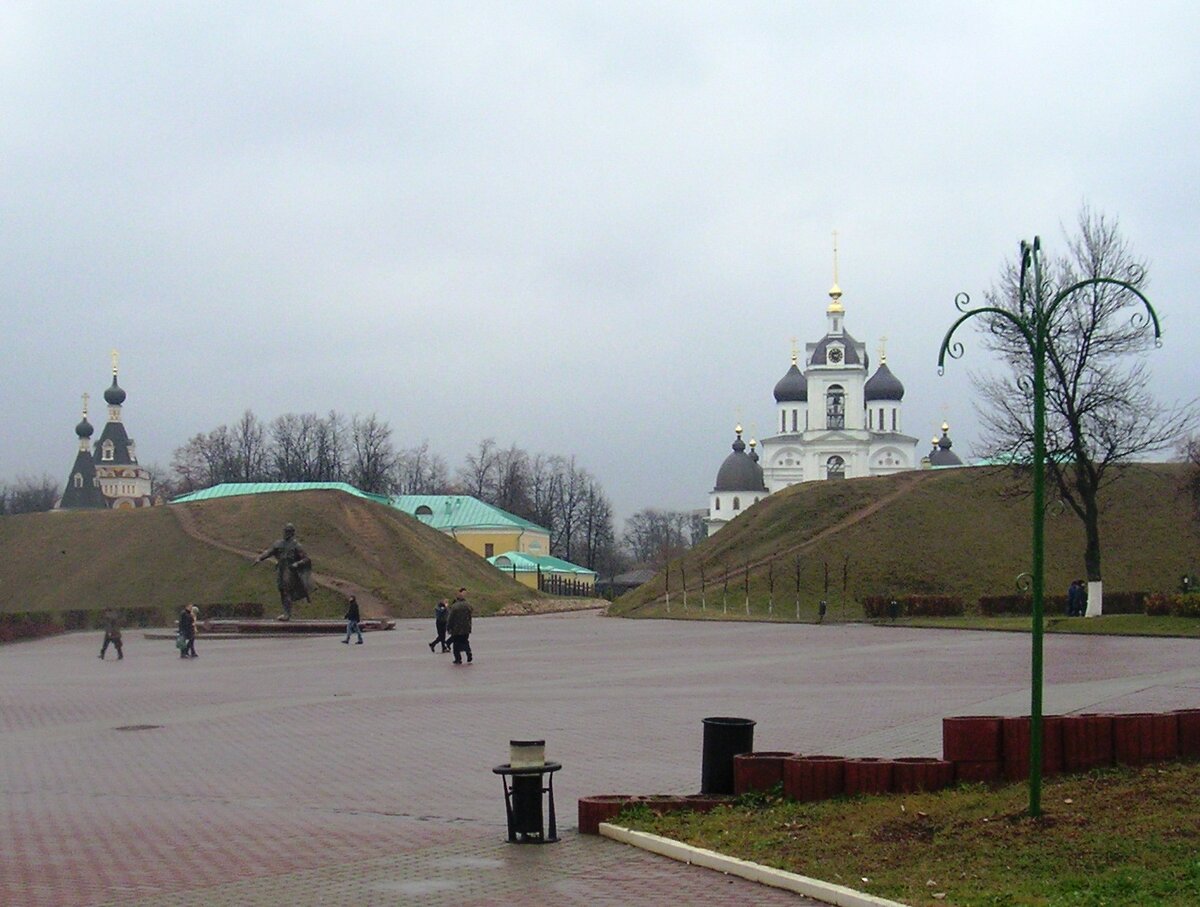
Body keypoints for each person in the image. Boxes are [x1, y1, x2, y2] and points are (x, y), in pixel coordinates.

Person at [255, 523, 313, 621]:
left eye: (289, 532)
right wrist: (260, 558)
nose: (286, 533)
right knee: (281, 590)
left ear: (292, 533)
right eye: (286, 531)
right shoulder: (278, 543)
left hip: (290, 570)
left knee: (287, 591)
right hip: (281, 569)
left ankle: (287, 614)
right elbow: (269, 552)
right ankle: (285, 612)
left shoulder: (297, 545)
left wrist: (297, 564)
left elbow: (306, 559)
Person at [446, 588, 473, 665]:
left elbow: (450, 618)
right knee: (465, 641)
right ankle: (468, 652)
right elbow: (470, 614)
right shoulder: (468, 605)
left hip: (456, 628)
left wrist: (448, 627)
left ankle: (458, 659)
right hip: (466, 627)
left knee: (456, 644)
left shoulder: (454, 607)